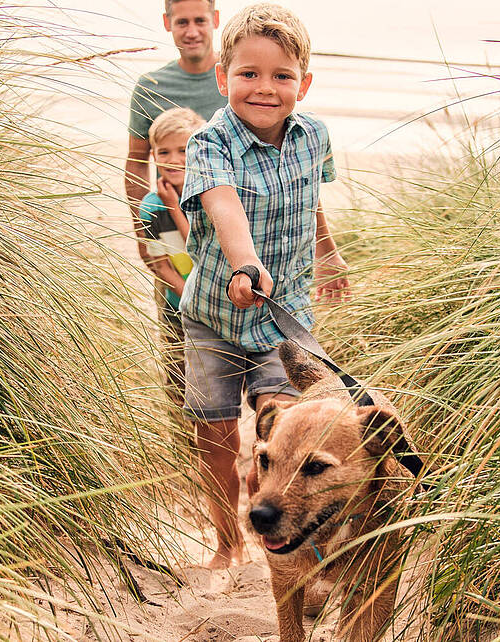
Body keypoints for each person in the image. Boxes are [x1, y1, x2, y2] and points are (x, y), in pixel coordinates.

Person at [177, 3, 350, 569]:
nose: (265, 89)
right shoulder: (209, 144)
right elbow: (224, 207)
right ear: (223, 77)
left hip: (284, 315)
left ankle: (286, 520)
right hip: (214, 316)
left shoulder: (314, 135)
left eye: (282, 76)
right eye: (248, 74)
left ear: (304, 82)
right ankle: (228, 544)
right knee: (218, 435)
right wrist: (245, 264)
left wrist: (326, 251)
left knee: (287, 423)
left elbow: (310, 201)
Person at [125, 0, 226, 271]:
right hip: (168, 227)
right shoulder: (151, 86)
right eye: (182, 22)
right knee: (174, 306)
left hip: (229, 230)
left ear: (215, 19)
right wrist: (142, 231)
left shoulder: (235, 79)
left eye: (200, 21)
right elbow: (136, 160)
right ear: (167, 23)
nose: (191, 32)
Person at [138, 107, 207, 411]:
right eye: (163, 152)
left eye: (184, 150)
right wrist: (184, 293)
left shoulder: (210, 195)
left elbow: (202, 246)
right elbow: (159, 263)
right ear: (153, 156)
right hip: (176, 303)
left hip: (217, 300)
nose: (174, 159)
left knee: (213, 377)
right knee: (177, 374)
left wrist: (174, 206)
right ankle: (182, 444)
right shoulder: (151, 206)